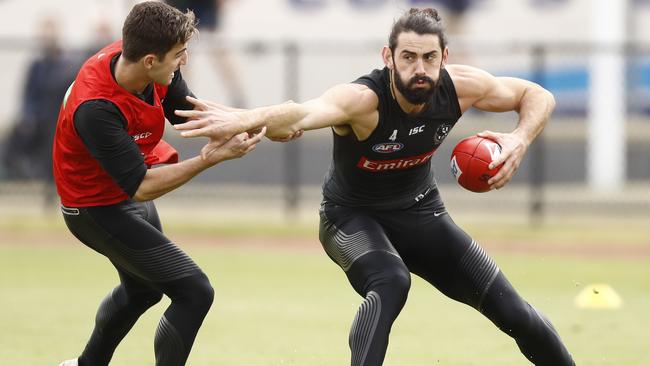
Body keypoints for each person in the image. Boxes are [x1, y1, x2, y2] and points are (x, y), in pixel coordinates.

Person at [174, 8, 575, 366]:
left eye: (429, 58)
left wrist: (518, 140)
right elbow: (302, 112)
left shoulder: (461, 86)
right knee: (391, 280)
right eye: (409, 57)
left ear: (444, 59)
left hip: (421, 212)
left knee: (515, 313)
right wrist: (244, 118)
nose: (420, 68)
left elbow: (536, 95)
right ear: (388, 58)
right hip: (349, 218)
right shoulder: (363, 100)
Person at [54, 2, 265, 366]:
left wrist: (266, 123)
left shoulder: (147, 68)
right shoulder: (96, 107)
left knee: (143, 291)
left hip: (122, 193)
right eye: (179, 56)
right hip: (93, 208)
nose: (184, 63)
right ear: (150, 60)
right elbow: (143, 186)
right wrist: (209, 158)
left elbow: (192, 113)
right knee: (194, 291)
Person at [165, 0, 247, 108]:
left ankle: (238, 98)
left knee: (216, 46)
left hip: (205, 6)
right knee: (181, 48)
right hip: (181, 5)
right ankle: (179, 98)